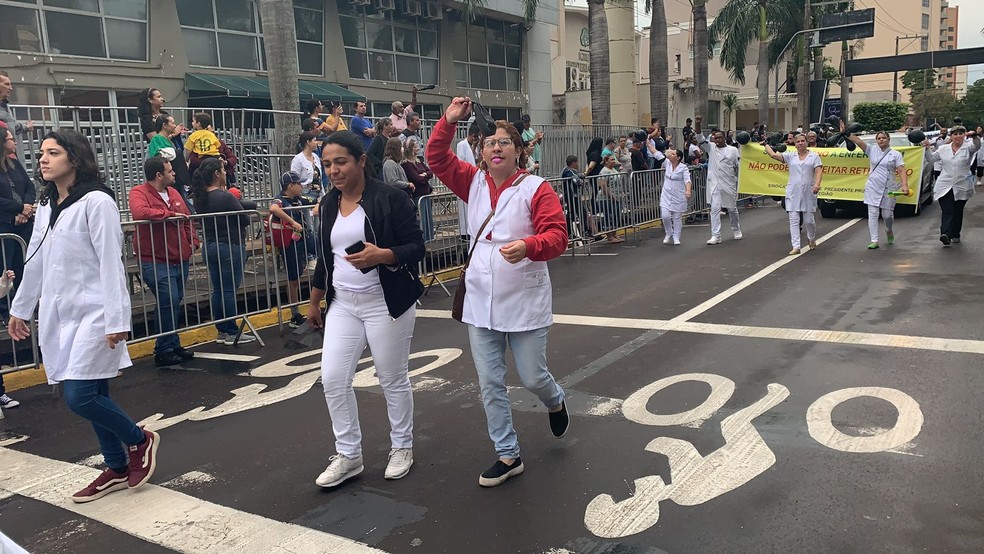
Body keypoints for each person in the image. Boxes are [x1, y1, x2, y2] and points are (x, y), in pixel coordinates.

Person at [8, 130, 159, 503]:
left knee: (79, 395)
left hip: (95, 311)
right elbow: (36, 261)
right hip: (62, 313)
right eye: (41, 153)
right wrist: (20, 309)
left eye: (53, 152)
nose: (42, 159)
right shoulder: (46, 205)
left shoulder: (97, 201)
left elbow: (111, 262)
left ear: (74, 159)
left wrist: (116, 319)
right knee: (94, 389)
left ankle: (140, 440)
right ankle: (116, 467)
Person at [426, 97, 570, 488]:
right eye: (490, 143)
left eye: (505, 142)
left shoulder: (536, 189)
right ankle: (508, 453)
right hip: (480, 299)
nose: (496, 148)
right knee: (490, 381)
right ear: (482, 151)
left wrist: (529, 246)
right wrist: (448, 120)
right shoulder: (471, 181)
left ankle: (554, 399)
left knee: (532, 376)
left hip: (523, 298)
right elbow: (435, 157)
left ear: (519, 150)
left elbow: (558, 236)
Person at [306, 131, 425, 488]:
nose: (333, 170)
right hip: (343, 303)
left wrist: (383, 255)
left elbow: (417, 247)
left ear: (360, 161)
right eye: (327, 164)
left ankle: (402, 446)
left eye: (340, 162)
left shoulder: (390, 199)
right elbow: (325, 259)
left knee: (391, 378)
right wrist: (314, 301)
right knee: (333, 379)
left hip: (385, 303)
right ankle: (349, 454)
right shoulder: (328, 204)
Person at [129, 156, 198, 366]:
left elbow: (186, 218)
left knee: (173, 301)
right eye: (170, 171)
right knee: (168, 299)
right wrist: (169, 214)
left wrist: (192, 241)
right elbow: (140, 212)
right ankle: (164, 348)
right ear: (159, 175)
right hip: (155, 258)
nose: (174, 173)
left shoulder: (174, 192)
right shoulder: (138, 192)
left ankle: (171, 342)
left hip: (179, 256)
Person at [188, 158, 258, 345]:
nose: (226, 173)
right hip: (229, 245)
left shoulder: (200, 197)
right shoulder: (224, 196)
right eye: (223, 170)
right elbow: (244, 218)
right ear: (217, 174)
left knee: (218, 289)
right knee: (228, 290)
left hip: (210, 245)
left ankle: (221, 329)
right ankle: (232, 331)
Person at [842, 124, 909, 249]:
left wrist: (905, 186)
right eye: (879, 138)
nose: (881, 140)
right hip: (873, 186)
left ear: (888, 140)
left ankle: (888, 229)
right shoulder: (871, 150)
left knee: (887, 215)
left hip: (889, 188)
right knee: (873, 213)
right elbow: (858, 141)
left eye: (884, 138)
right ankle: (874, 240)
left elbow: (901, 171)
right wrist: (846, 133)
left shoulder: (895, 154)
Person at [269, 172, 318, 328]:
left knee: (322, 259)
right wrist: (292, 222)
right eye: (299, 184)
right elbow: (274, 208)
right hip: (290, 241)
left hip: (304, 237)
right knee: (293, 277)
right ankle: (295, 314)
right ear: (291, 186)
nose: (301, 187)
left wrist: (318, 204)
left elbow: (317, 199)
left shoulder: (299, 199)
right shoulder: (281, 199)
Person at [765, 133, 822, 255]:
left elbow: (818, 170)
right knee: (794, 219)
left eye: (802, 141)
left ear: (806, 142)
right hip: (793, 192)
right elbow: (773, 155)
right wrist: (766, 144)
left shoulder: (814, 156)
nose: (800, 143)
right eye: (798, 142)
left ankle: (811, 238)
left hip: (808, 191)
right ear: (794, 144)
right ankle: (796, 246)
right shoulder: (791, 156)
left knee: (809, 220)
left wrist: (817, 184)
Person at [0, 126, 35, 322]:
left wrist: (26, 207)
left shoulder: (13, 162)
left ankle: (24, 307)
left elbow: (29, 186)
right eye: (11, 139)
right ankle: (5, 310)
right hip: (4, 224)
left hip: (23, 222)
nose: (15, 142)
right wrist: (18, 207)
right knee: (5, 268)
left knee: (23, 265)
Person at [925, 126, 981, 245]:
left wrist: (975, 136)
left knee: (957, 210)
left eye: (961, 134)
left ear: (965, 135)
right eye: (955, 134)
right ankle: (945, 234)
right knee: (948, 209)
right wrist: (926, 148)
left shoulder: (968, 148)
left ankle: (955, 233)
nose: (958, 136)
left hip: (962, 184)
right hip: (945, 184)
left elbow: (977, 146)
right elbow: (931, 159)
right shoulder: (943, 149)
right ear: (951, 136)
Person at [700, 127, 743, 244]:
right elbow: (700, 138)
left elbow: (738, 165)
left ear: (724, 138)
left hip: (728, 182)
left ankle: (736, 228)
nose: (717, 140)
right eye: (715, 138)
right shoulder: (711, 148)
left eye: (719, 138)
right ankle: (716, 235)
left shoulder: (733, 150)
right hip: (715, 183)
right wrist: (698, 124)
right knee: (715, 209)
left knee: (731, 208)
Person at [401, 140, 434, 241]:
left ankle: (430, 237)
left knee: (429, 218)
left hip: (426, 193)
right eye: (415, 147)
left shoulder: (419, 161)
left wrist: (424, 175)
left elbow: (430, 172)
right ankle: (424, 239)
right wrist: (425, 177)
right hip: (419, 195)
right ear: (410, 149)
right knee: (423, 219)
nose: (417, 149)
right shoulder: (407, 164)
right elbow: (416, 178)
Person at [660, 148, 692, 246]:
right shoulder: (667, 163)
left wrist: (688, 190)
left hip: (678, 195)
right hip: (666, 194)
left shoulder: (683, 168)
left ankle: (676, 236)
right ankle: (669, 232)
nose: (671, 155)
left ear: (678, 158)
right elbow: (657, 154)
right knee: (665, 216)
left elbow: (687, 180)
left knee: (677, 217)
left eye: (674, 154)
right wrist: (648, 143)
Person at [597, 154, 625, 243]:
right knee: (609, 216)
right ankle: (609, 236)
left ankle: (614, 234)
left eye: (614, 159)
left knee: (616, 216)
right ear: (606, 161)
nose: (613, 161)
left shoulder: (613, 169)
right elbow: (603, 185)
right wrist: (610, 196)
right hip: (606, 198)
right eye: (612, 160)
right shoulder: (604, 171)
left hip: (617, 196)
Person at [291, 130, 324, 204]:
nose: (317, 143)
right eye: (315, 140)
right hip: (305, 195)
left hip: (318, 195)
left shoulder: (315, 157)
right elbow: (294, 179)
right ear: (308, 142)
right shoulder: (298, 159)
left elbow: (319, 179)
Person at [0, 71, 33, 141]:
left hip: (8, 150)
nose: (11, 88)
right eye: (7, 84)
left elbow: (14, 126)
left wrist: (27, 127)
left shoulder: (5, 106)